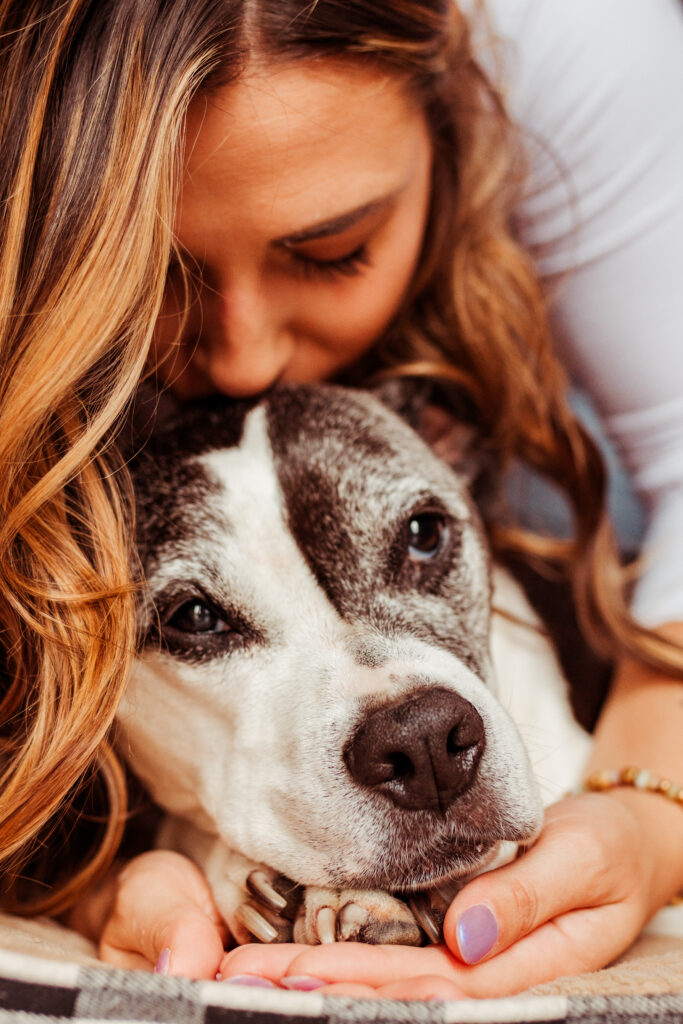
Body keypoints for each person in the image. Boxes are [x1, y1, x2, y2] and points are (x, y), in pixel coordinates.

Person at [1, 0, 682, 1001]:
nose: (243, 357)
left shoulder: (573, 34)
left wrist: (648, 807)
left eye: (331, 248)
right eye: (161, 278)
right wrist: (94, 876)